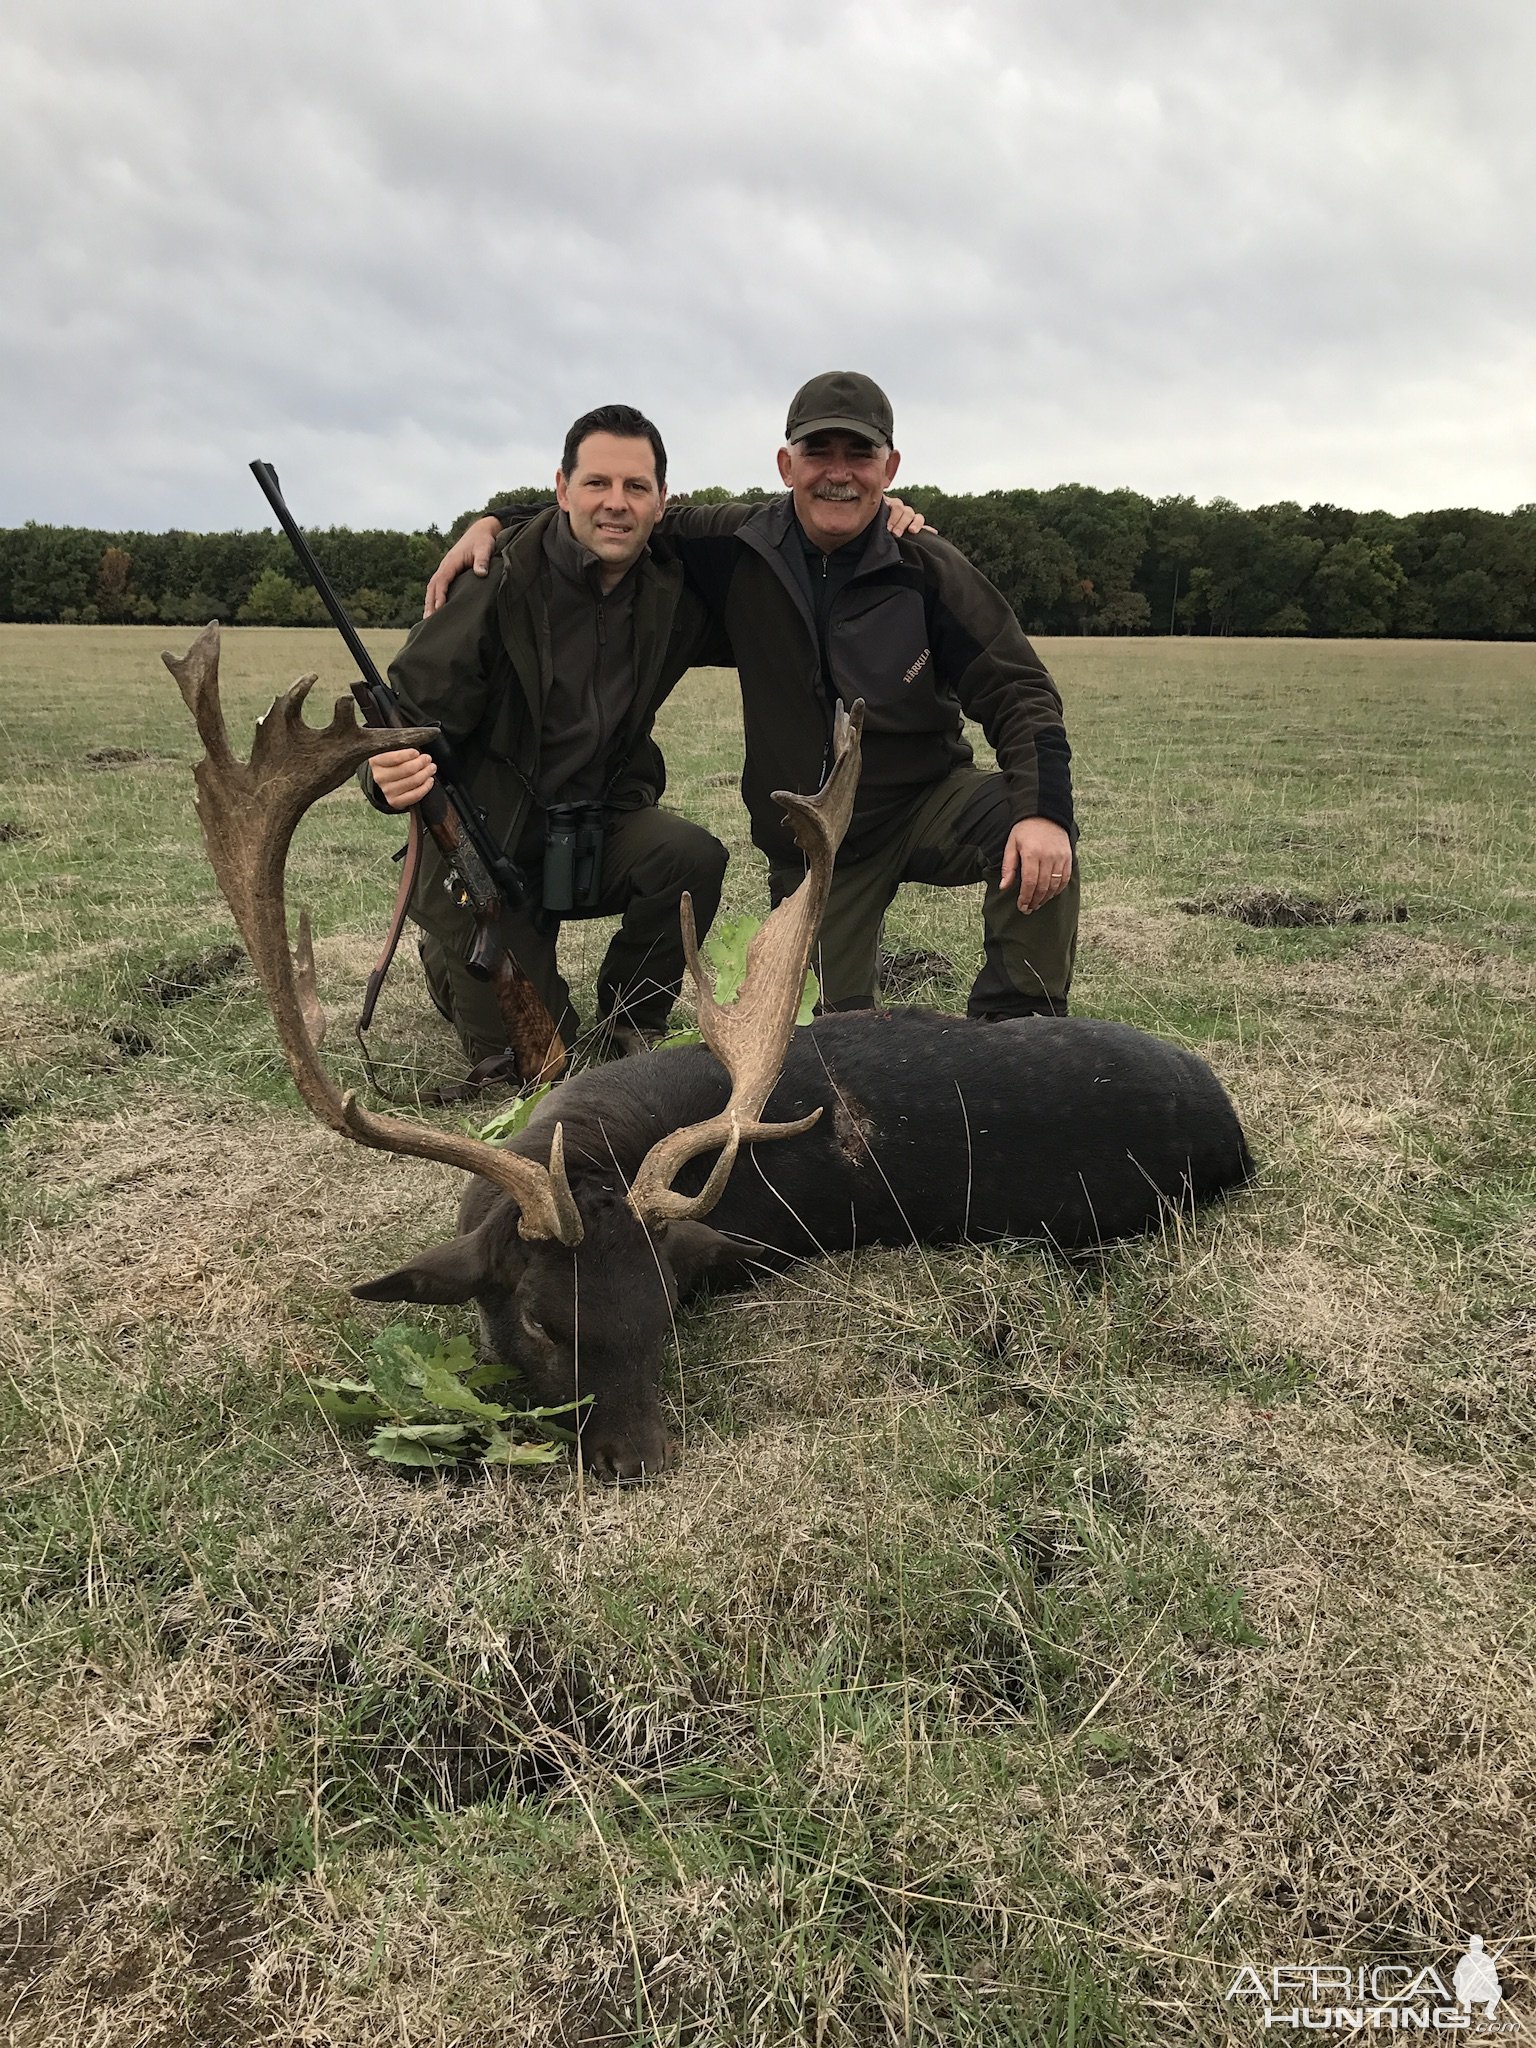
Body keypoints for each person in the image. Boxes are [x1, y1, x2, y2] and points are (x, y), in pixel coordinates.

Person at [429, 372, 1078, 1019]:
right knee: (832, 1051)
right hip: (816, 846)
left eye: (861, 455)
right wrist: (495, 522)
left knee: (1029, 825)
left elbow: (1020, 692)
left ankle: (1019, 1036)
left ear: (891, 467)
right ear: (785, 464)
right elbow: (623, 513)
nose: (839, 473)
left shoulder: (928, 566)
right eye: (819, 452)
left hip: (923, 801)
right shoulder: (736, 546)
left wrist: (1045, 812)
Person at [368, 403, 729, 1072]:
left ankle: (632, 1021)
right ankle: (448, 961)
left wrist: (879, 515)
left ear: (661, 502)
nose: (615, 503)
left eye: (635, 487)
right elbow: (402, 721)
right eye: (596, 484)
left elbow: (771, 530)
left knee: (691, 858)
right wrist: (382, 777)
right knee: (534, 1064)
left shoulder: (673, 591)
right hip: (484, 846)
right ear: (562, 490)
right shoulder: (494, 578)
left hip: (591, 833)